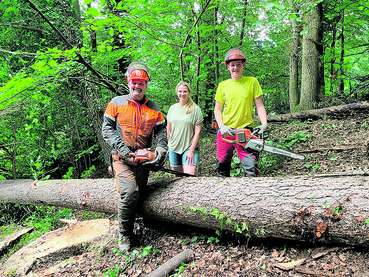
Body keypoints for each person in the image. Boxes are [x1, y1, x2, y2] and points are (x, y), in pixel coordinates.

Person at [102, 62, 167, 251]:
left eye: (141, 83)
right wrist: (122, 149)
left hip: (142, 161)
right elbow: (106, 129)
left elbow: (162, 134)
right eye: (134, 82)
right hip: (122, 159)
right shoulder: (116, 103)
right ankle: (124, 234)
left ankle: (138, 224)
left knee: (139, 194)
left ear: (146, 85)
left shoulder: (154, 108)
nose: (137, 86)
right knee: (130, 192)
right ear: (128, 82)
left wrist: (160, 152)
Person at [214, 48, 268, 177]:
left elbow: (260, 106)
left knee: (251, 167)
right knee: (222, 166)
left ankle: (251, 194)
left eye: (238, 65)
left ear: (243, 65)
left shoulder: (252, 82)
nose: (235, 68)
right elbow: (217, 109)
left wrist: (264, 123)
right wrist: (221, 126)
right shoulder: (223, 85)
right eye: (232, 65)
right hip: (226, 131)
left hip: (246, 131)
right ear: (228, 66)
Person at [167, 81, 203, 176]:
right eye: (180, 91)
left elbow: (198, 132)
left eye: (185, 91)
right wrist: (169, 142)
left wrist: (191, 150)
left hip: (189, 147)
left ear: (189, 93)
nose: (182, 94)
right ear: (177, 92)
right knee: (177, 179)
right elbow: (169, 126)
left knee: (189, 178)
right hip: (173, 148)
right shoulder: (172, 108)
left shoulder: (196, 109)